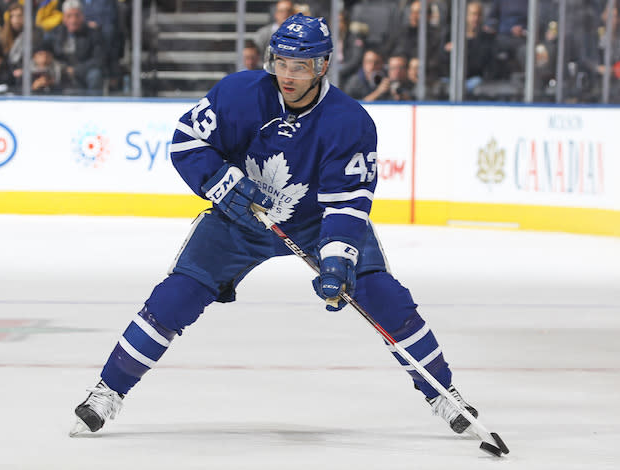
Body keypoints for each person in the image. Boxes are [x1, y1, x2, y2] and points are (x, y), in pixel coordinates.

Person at [69, 13, 479, 439]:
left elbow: (346, 202)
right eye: (281, 62)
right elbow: (188, 141)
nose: (287, 74)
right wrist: (221, 182)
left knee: (383, 296)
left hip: (315, 224)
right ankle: (108, 390)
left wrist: (337, 261)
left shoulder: (349, 122)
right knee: (176, 297)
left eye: (300, 66)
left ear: (323, 66)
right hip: (238, 220)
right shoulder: (239, 93)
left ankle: (443, 393)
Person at [47, 0, 104, 95]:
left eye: (77, 16)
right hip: (62, 72)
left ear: (82, 17)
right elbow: (46, 51)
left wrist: (76, 70)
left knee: (95, 75)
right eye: (69, 16)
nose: (73, 20)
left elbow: (98, 59)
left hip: (84, 71)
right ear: (64, 18)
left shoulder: (93, 34)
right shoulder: (56, 33)